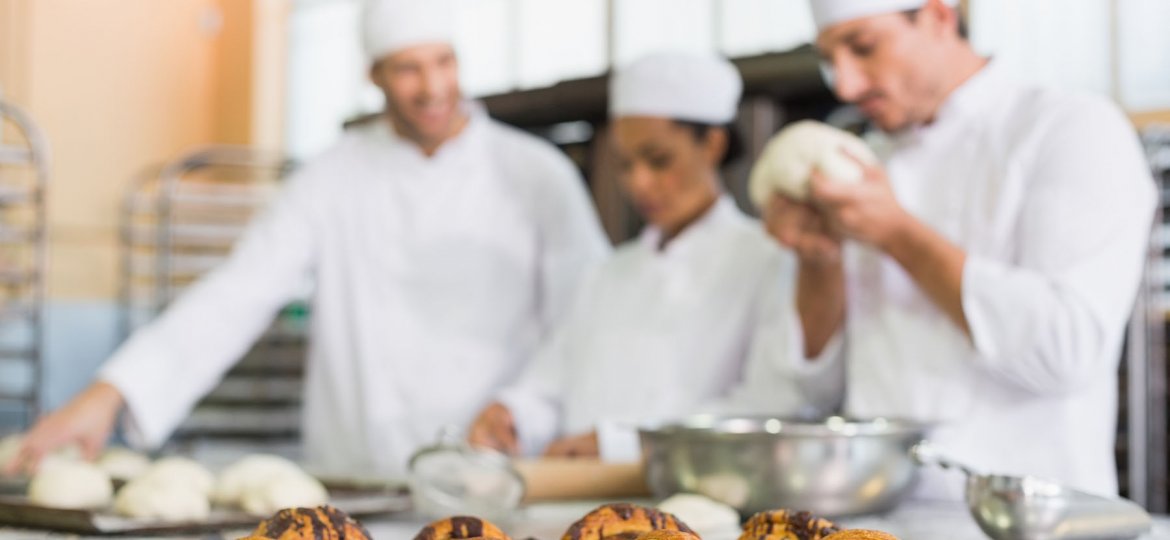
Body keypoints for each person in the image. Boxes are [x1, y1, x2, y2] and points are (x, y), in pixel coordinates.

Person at [6, 0, 608, 478]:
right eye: (408, 68)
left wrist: (525, 407)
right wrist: (109, 395)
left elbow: (588, 317)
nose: (432, 87)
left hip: (493, 475)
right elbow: (237, 293)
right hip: (359, 475)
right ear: (374, 75)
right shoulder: (331, 177)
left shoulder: (536, 174)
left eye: (443, 62)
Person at [764, 0, 1155, 499]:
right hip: (884, 518)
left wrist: (898, 234)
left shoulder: (1069, 130)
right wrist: (818, 261)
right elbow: (814, 394)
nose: (845, 85)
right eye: (829, 59)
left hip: (1032, 522)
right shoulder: (862, 163)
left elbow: (1066, 350)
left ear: (938, 17)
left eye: (863, 47)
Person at [469, 52, 837, 461]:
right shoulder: (607, 274)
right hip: (582, 510)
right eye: (624, 164)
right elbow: (550, 383)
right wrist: (512, 413)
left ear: (712, 144)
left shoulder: (769, 259)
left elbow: (773, 404)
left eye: (659, 160)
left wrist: (623, 444)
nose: (639, 183)